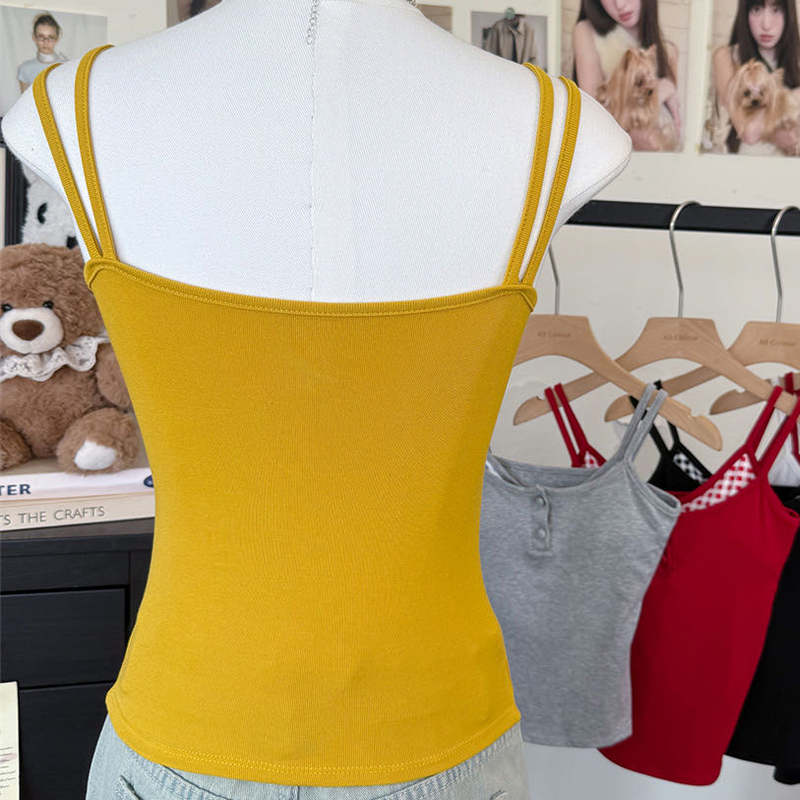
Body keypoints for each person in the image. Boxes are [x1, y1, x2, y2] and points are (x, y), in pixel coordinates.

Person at [572, 0, 681, 150]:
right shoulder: (587, 32)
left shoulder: (667, 49)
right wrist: (663, 89)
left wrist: (669, 86)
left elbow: (675, 130)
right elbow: (596, 117)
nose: (620, 5)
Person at [709, 0, 800, 155]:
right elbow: (748, 132)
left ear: (788, 13)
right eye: (756, 9)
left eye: (776, 10)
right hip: (739, 165)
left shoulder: (796, 62)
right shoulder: (726, 57)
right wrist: (791, 98)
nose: (766, 24)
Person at [17, 13, 68, 94]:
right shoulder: (25, 69)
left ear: (57, 39)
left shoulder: (66, 67)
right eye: (41, 36)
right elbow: (25, 100)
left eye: (50, 37)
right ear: (34, 37)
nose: (45, 42)